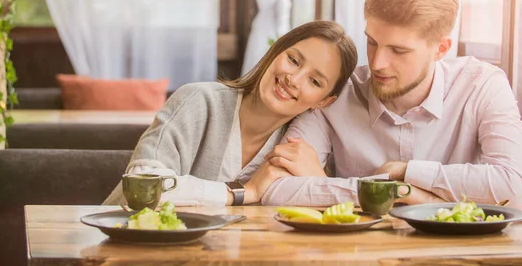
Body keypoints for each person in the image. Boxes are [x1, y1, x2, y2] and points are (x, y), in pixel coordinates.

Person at [260, 0, 522, 209]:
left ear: (441, 49)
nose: (377, 63)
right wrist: (400, 192)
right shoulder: (337, 91)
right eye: (372, 42)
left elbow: (512, 188)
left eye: (399, 51)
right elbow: (274, 188)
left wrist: (403, 171)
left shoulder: (482, 85)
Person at [104, 20, 358, 206]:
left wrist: (317, 177)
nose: (293, 79)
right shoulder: (198, 102)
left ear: (324, 101)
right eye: (293, 60)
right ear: (276, 52)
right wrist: (245, 192)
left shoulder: (305, 146)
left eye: (314, 82)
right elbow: (141, 189)